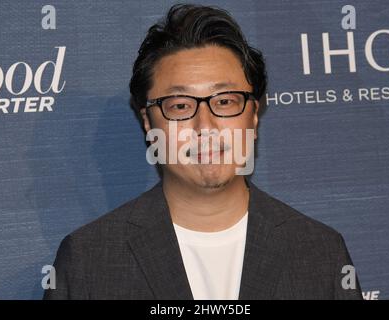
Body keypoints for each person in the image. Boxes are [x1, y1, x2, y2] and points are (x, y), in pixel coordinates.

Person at [44, 4, 362, 300]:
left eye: (224, 101)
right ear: (147, 121)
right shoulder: (87, 261)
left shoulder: (320, 253)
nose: (204, 126)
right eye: (180, 106)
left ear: (253, 113)